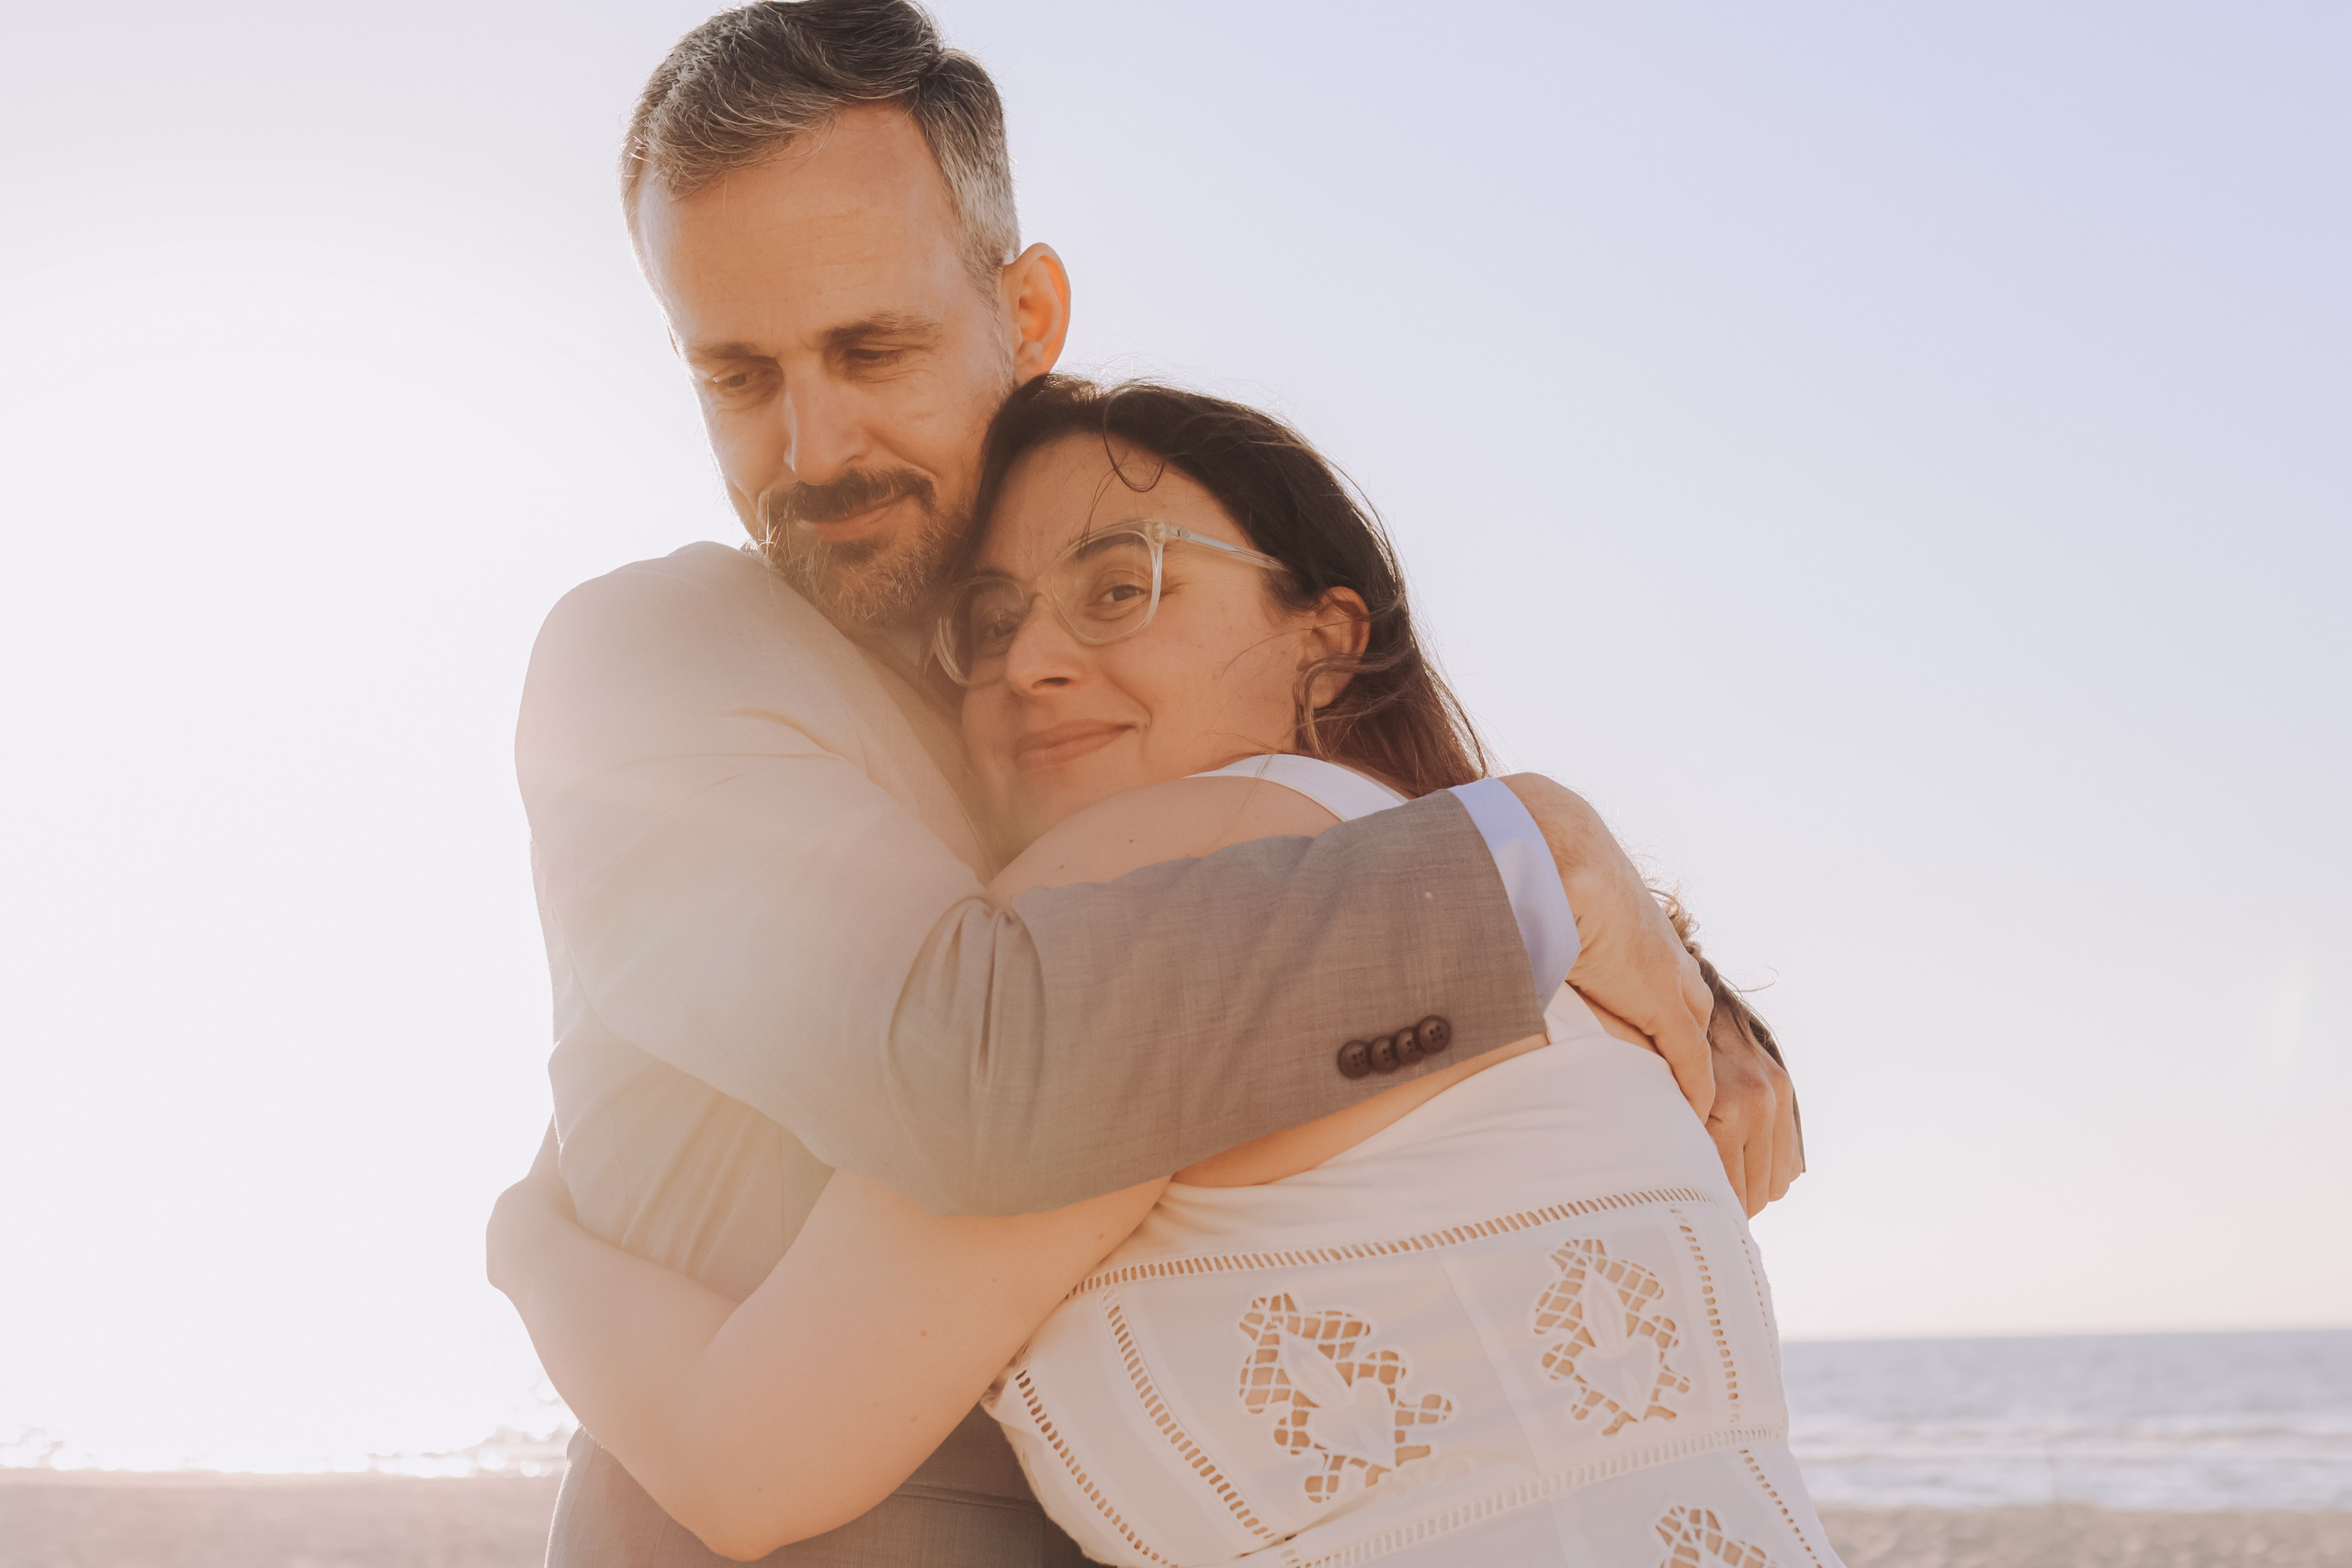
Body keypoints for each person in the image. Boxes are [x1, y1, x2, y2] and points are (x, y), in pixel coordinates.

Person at [514, 2, 1795, 1561]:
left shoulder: (1108, 747)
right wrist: (1528, 864)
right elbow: (977, 1062)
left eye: (873, 348)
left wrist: (1632, 935)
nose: (814, 443)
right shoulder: (659, 658)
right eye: (737, 376)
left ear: (1028, 309)